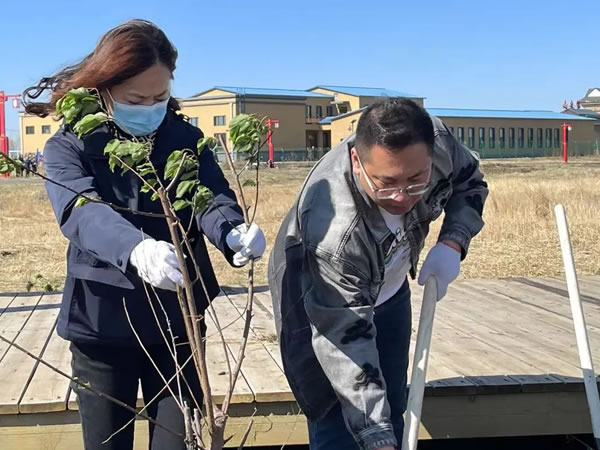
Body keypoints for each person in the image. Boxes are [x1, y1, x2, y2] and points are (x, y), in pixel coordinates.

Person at [23, 19, 266, 450]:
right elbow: (81, 211)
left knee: (179, 439)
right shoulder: (70, 144)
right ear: (104, 88)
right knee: (108, 441)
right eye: (136, 99)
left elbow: (209, 196)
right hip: (101, 319)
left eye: (159, 97)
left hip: (178, 319)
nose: (150, 108)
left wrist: (231, 231)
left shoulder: (185, 138)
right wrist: (135, 248)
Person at [268, 98, 488, 450]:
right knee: (339, 421)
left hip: (389, 290)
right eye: (386, 182)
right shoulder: (332, 234)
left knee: (393, 402)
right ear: (357, 160)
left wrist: (453, 242)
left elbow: (470, 182)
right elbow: (346, 347)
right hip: (323, 307)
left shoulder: (437, 140)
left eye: (416, 180)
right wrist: (376, 437)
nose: (401, 197)